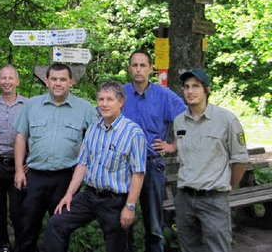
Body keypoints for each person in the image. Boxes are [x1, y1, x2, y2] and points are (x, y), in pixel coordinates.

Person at [44, 80, 146, 252]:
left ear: (121, 102)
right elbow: (82, 164)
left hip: (115, 200)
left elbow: (138, 173)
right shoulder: (93, 129)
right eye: (100, 99)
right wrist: (69, 194)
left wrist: (130, 206)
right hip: (89, 196)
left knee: (117, 245)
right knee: (57, 223)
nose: (104, 104)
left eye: (109, 99)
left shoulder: (133, 133)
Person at [13, 63, 98, 252]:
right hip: (34, 176)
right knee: (26, 226)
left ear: (71, 82)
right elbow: (20, 137)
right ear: (47, 81)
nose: (58, 83)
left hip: (66, 178)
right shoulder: (32, 105)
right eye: (54, 79)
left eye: (62, 79)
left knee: (59, 228)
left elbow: (96, 140)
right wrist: (19, 170)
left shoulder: (85, 108)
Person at [168, 69, 248, 252]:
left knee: (218, 248)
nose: (190, 91)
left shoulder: (226, 119)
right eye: (186, 86)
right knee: (189, 248)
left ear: (207, 90)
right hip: (185, 198)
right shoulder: (180, 121)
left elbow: (240, 159)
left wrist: (227, 186)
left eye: (196, 86)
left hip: (213, 198)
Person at [122, 50, 186, 252]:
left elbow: (188, 119)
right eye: (134, 65)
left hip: (152, 164)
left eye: (143, 65)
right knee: (122, 223)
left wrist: (173, 145)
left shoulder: (164, 96)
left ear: (150, 69)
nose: (138, 69)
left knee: (154, 224)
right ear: (129, 68)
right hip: (123, 166)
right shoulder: (119, 94)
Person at [0, 65, 27, 252]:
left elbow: (34, 136)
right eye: (3, 78)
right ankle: (1, 246)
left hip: (20, 167)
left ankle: (22, 246)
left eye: (11, 78)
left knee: (19, 212)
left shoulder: (29, 105)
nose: (7, 82)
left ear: (17, 81)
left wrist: (29, 163)